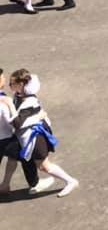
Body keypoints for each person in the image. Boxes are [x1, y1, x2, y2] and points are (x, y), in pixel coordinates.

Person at [2, 69, 79, 197]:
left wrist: (9, 105)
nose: (9, 86)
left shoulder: (29, 101)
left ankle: (70, 181)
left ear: (21, 84)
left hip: (35, 138)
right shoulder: (18, 96)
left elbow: (17, 123)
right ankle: (5, 185)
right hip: (25, 137)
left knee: (44, 166)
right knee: (13, 157)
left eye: (12, 83)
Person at [0, 68, 54, 194]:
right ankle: (35, 183)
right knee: (26, 155)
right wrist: (36, 117)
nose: (5, 80)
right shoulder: (3, 101)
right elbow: (15, 122)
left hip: (5, 137)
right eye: (2, 77)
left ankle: (5, 185)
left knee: (14, 157)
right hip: (5, 138)